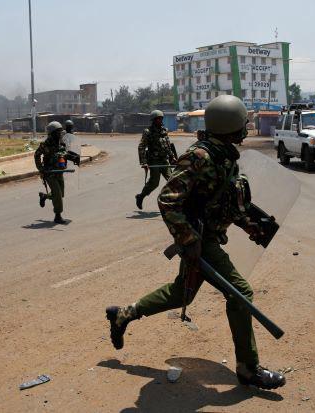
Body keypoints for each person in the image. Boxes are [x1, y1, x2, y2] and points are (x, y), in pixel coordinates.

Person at [106, 95, 286, 391]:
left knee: (181, 295)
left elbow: (223, 202)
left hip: (209, 237)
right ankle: (248, 368)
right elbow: (168, 200)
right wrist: (188, 240)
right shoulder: (200, 156)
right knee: (241, 293)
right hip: (201, 240)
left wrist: (249, 225)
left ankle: (123, 314)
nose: (246, 128)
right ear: (230, 126)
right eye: (243, 123)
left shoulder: (225, 156)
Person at [34, 121, 79, 224]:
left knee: (60, 194)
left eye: (60, 132)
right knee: (58, 195)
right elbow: (36, 155)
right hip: (50, 173)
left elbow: (64, 154)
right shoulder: (46, 145)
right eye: (58, 132)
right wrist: (41, 169)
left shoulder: (61, 143)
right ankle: (57, 216)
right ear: (52, 133)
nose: (60, 134)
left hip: (59, 171)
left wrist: (73, 158)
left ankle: (44, 196)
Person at [135, 110, 177, 210]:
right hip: (154, 160)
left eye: (161, 118)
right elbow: (141, 147)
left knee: (172, 180)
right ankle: (140, 196)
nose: (159, 120)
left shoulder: (164, 130)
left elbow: (167, 145)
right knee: (154, 183)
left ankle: (173, 202)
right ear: (153, 120)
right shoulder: (148, 132)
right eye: (157, 119)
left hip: (164, 160)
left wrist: (172, 157)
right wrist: (144, 162)